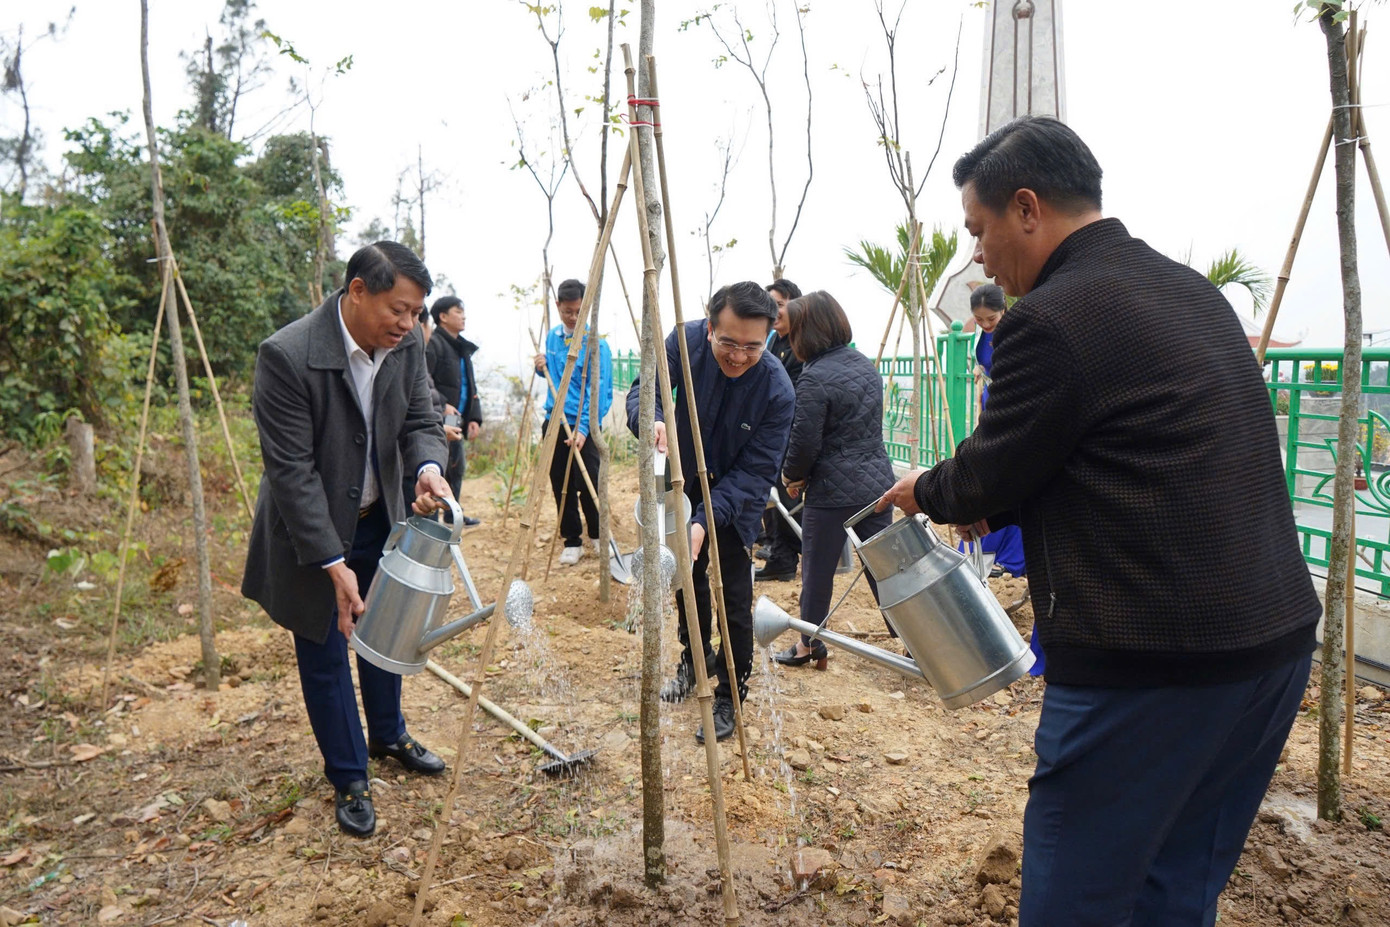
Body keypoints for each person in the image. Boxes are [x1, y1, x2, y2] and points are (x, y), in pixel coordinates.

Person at [878, 115, 1320, 926]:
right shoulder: (1189, 289)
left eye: (978, 231)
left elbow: (993, 467)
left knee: (1073, 899)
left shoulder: (1049, 319)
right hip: (1274, 646)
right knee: (1177, 884)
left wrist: (926, 489)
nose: (977, 254)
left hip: (1154, 662)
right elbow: (1125, 443)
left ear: (1026, 208)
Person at [242, 242, 454, 838]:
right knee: (327, 645)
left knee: (384, 630)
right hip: (311, 532)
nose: (408, 325)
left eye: (417, 313)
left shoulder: (408, 344)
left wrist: (426, 469)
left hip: (377, 515)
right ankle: (350, 775)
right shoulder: (286, 355)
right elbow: (292, 472)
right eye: (399, 309)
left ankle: (388, 735)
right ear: (357, 290)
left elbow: (421, 419)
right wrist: (332, 562)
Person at [625, 281, 794, 743]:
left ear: (770, 336)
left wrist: (707, 519)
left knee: (733, 598)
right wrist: (652, 418)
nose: (738, 356)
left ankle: (731, 692)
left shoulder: (778, 391)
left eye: (752, 347)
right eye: (728, 342)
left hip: (736, 498)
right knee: (688, 583)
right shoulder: (684, 341)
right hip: (682, 483)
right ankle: (692, 661)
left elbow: (757, 472)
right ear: (708, 323)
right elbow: (647, 388)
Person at [774, 291, 896, 669]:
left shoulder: (814, 377)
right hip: (877, 483)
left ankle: (809, 644)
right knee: (885, 571)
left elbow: (804, 443)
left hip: (832, 490)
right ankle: (916, 640)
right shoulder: (866, 366)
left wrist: (792, 477)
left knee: (818, 571)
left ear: (807, 333)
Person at [533, 278, 612, 565]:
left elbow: (600, 392)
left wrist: (583, 429)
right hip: (554, 420)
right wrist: (541, 368)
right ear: (558, 306)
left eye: (579, 311)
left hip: (585, 423)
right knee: (560, 481)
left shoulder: (596, 344)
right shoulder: (553, 337)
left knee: (589, 479)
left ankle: (598, 535)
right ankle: (572, 539)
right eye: (568, 311)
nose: (573, 317)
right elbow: (553, 377)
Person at [756, 278, 805, 582]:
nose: (774, 312)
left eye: (779, 305)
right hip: (772, 429)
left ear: (795, 305)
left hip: (791, 430)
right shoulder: (774, 340)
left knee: (786, 496)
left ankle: (785, 559)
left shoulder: (801, 343)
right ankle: (776, 547)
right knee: (771, 493)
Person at [426, 295, 482, 526]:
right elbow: (423, 381)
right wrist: (440, 404)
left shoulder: (462, 348)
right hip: (437, 418)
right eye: (458, 311)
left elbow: (471, 385)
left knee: (456, 468)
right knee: (433, 467)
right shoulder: (434, 344)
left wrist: (474, 417)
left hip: (458, 419)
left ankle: (451, 514)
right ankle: (429, 519)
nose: (463, 316)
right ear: (443, 316)